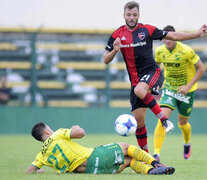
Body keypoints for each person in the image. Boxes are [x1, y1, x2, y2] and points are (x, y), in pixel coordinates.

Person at [103, 1, 207, 153]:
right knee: (139, 122)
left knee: (140, 90)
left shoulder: (147, 30)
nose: (131, 17)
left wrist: (197, 34)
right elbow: (105, 59)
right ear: (124, 15)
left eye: (134, 15)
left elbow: (173, 35)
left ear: (139, 15)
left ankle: (164, 121)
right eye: (129, 15)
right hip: (135, 81)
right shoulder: (117, 35)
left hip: (152, 72)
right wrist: (115, 51)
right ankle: (147, 158)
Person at [26, 122, 175, 175]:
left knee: (129, 161)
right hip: (92, 157)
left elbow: (29, 171)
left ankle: (151, 171)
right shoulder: (56, 134)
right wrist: (75, 127)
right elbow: (81, 133)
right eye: (49, 128)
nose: (51, 130)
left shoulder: (41, 155)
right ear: (46, 132)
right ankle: (156, 164)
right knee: (126, 147)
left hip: (91, 171)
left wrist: (39, 170)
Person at [153, 25, 206, 162]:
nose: (168, 40)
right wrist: (155, 83)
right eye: (165, 38)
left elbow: (201, 68)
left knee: (183, 123)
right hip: (170, 89)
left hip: (187, 92)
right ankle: (156, 155)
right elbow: (156, 68)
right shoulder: (159, 52)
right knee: (162, 119)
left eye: (170, 37)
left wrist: (188, 86)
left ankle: (187, 143)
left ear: (175, 36)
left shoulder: (186, 51)